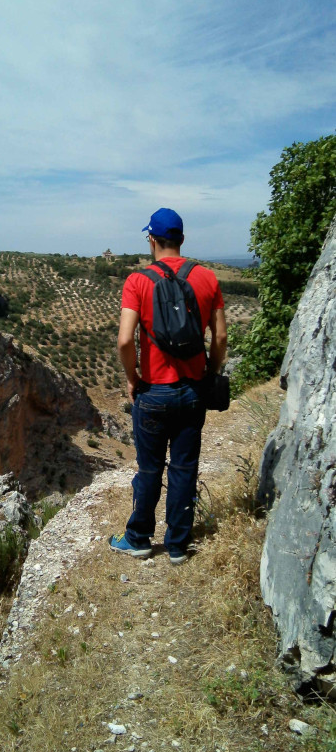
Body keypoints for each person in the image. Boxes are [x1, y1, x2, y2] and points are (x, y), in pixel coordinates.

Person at [110, 207, 227, 564]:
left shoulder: (138, 281)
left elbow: (125, 341)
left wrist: (133, 379)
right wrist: (211, 373)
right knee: (184, 468)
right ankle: (178, 545)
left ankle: (139, 538)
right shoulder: (208, 278)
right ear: (181, 239)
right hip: (193, 391)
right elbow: (220, 335)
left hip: (154, 392)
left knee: (149, 469)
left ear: (151, 239)